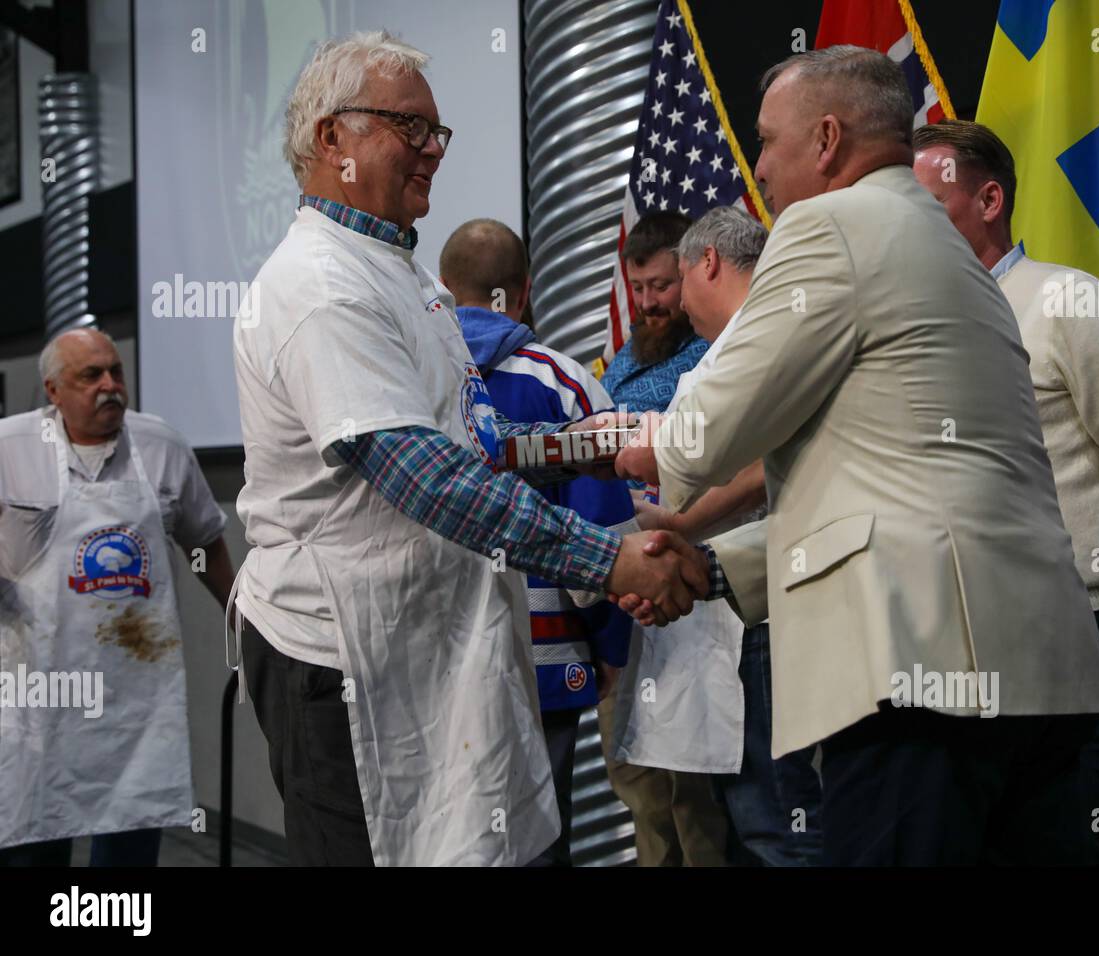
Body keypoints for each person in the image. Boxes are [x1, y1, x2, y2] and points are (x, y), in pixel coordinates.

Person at [616, 45, 1099, 866]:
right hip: (1044, 679)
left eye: (765, 142)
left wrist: (648, 447)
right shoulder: (960, 262)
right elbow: (886, 480)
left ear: (826, 139)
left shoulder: (830, 226)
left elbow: (711, 434)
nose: (758, 169)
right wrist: (715, 570)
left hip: (920, 684)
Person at [231, 30, 703, 867]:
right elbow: (426, 478)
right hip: (343, 665)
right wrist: (613, 562)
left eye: (436, 133)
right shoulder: (319, 285)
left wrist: (585, 447)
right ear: (330, 136)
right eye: (406, 127)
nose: (431, 152)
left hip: (428, 645)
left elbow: (471, 442)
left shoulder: (401, 274)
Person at [913, 119, 1099, 863]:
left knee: (1068, 843)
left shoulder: (1074, 302)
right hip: (947, 634)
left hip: (1072, 615)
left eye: (930, 205)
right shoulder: (914, 327)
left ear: (989, 199)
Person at [441, 217, 637, 866]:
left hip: (437, 655)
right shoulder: (567, 384)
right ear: (523, 292)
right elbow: (602, 533)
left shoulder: (410, 382)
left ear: (441, 289)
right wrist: (608, 643)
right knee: (539, 840)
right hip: (546, 660)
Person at [0, 328, 234, 866]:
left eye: (115, 372)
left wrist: (246, 624)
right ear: (53, 391)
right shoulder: (12, 448)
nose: (110, 386)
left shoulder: (161, 445)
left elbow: (204, 543)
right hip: (42, 696)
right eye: (91, 376)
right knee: (35, 845)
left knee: (125, 865)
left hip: (136, 704)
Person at [635, 206, 824, 865]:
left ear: (706, 263)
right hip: (729, 614)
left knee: (782, 826)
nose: (678, 305)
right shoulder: (736, 347)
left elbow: (755, 470)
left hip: (769, 614)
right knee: (748, 826)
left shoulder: (767, 337)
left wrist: (672, 518)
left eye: (677, 282)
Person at [597, 211, 732, 867]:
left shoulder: (717, 357)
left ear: (690, 272)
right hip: (627, 603)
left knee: (699, 800)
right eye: (637, 287)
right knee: (640, 787)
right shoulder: (622, 362)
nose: (649, 303)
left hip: (703, 597)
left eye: (660, 286)